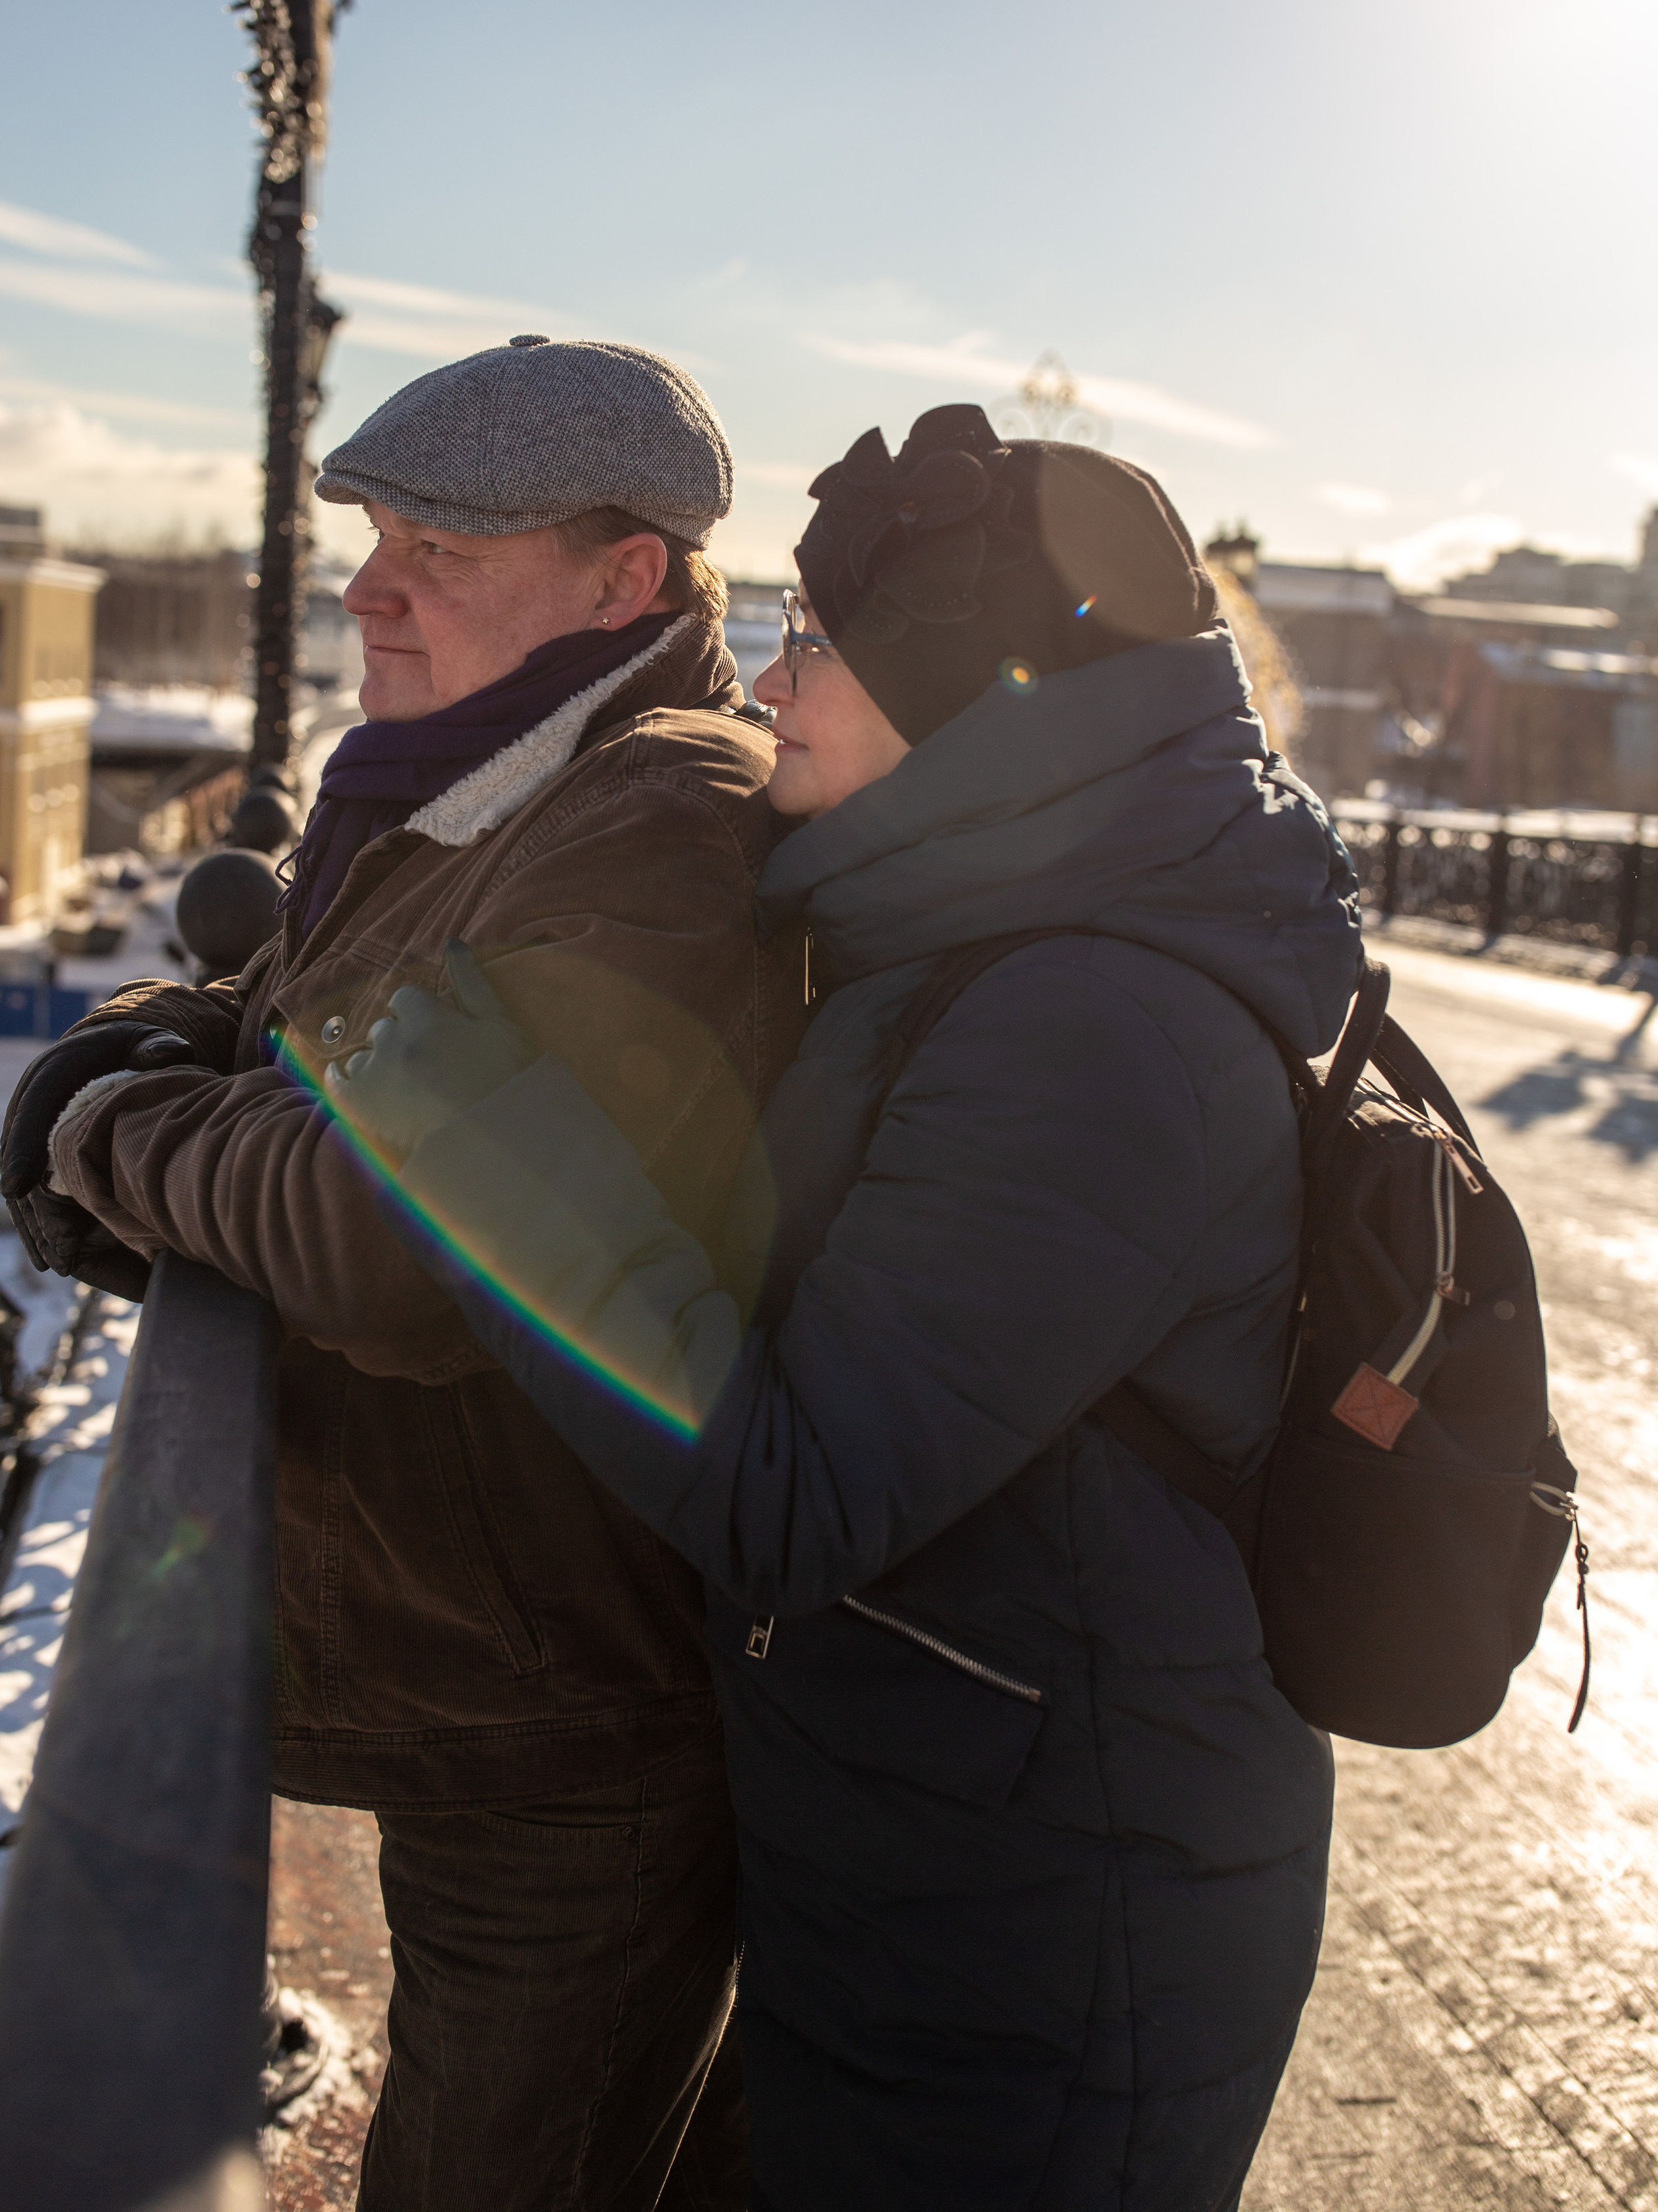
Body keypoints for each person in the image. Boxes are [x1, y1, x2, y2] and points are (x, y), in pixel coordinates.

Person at [318, 404, 1363, 2212]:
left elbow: (797, 1492)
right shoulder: (959, 930)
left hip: (1042, 1937)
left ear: (981, 709)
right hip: (924, 1847)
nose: (772, 680)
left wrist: (482, 1147)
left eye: (820, 645)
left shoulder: (1091, 1027)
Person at [6, 336, 806, 2211]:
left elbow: (393, 1238)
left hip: (575, 1735)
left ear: (628, 579)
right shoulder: (473, 783)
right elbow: (274, 1026)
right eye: (375, 533)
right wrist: (132, 1059)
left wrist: (96, 1129)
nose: (369, 586)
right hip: (497, 1684)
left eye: (439, 547)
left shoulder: (660, 819)